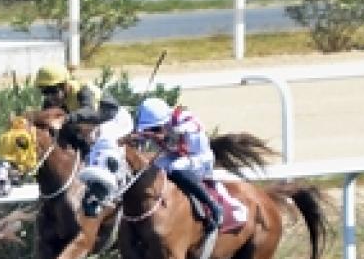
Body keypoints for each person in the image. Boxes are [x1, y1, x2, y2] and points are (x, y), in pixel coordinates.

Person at [134, 97, 245, 232]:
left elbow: (195, 125)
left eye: (155, 128)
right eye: (151, 129)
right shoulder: (156, 126)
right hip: (176, 157)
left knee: (175, 168)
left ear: (164, 121)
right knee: (151, 168)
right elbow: (141, 136)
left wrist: (174, 132)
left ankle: (213, 205)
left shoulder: (183, 117)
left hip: (200, 158)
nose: (153, 132)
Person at [75, 93, 134, 217]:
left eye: (106, 109)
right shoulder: (101, 126)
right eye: (103, 108)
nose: (104, 111)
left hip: (108, 158)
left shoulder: (122, 120)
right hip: (101, 161)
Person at [34, 63, 99, 116]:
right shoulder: (50, 101)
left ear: (65, 85)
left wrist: (67, 118)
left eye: (52, 90)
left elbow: (89, 110)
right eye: (45, 92)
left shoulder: (83, 90)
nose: (50, 96)